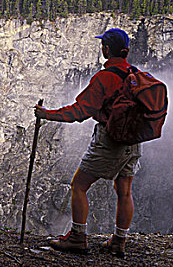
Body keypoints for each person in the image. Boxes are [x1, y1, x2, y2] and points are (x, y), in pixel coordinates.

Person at [34, 28, 141, 257]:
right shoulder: (135, 75)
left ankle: (77, 238)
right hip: (133, 141)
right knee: (124, 190)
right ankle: (119, 242)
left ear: (105, 49)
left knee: (79, 185)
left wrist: (47, 115)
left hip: (110, 140)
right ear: (126, 51)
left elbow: (79, 111)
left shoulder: (104, 78)